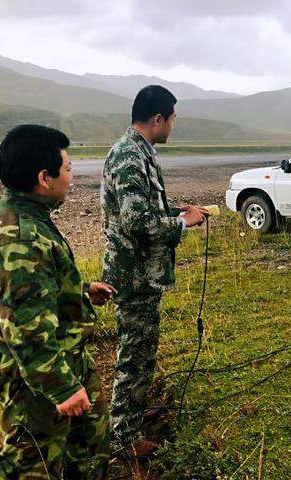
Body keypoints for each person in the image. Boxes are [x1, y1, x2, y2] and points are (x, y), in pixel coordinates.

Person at [0, 124, 115, 479]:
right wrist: (62, 387)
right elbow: (24, 327)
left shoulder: (26, 214)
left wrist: (78, 292)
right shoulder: (20, 239)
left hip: (62, 358)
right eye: (67, 169)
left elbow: (34, 292)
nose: (72, 175)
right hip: (37, 378)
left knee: (89, 445)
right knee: (30, 464)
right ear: (44, 178)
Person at [101, 85, 209, 455]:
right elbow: (137, 222)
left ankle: (131, 413)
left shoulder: (139, 153)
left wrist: (179, 212)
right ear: (158, 119)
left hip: (142, 272)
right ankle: (123, 438)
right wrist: (183, 225)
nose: (173, 125)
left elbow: (144, 208)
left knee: (143, 349)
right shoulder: (129, 156)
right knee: (134, 352)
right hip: (133, 275)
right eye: (173, 118)